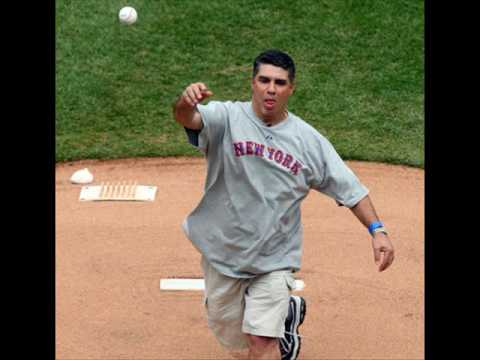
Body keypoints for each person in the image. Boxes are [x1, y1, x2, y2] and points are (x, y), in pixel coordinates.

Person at [173, 49, 394, 360]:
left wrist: (378, 230)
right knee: (238, 345)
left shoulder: (308, 141)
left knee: (262, 345)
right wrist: (186, 102)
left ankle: (276, 326)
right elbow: (189, 118)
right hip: (223, 253)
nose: (271, 88)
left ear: (292, 88)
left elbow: (350, 188)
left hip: (274, 259)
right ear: (253, 83)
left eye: (280, 82)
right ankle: (286, 319)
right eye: (264, 80)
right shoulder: (226, 118)